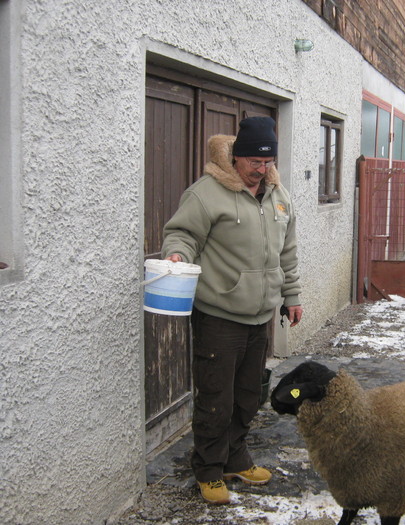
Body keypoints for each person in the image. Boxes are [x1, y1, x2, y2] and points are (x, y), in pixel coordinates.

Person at [161, 116, 303, 504]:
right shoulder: (206, 194)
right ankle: (207, 469)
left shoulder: (278, 195)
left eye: (268, 161)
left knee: (248, 395)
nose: (262, 169)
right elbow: (182, 234)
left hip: (260, 317)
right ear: (236, 158)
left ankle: (235, 458)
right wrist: (177, 254)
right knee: (215, 398)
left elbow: (286, 251)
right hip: (218, 316)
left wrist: (292, 296)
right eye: (254, 162)